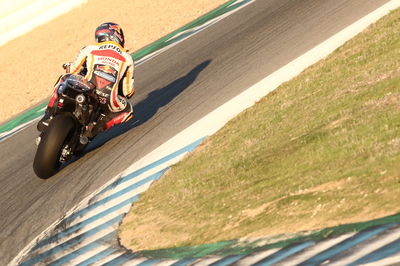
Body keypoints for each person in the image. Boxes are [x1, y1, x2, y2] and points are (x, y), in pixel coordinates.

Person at [37, 22, 135, 139]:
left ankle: (48, 115)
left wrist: (68, 67)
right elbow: (128, 91)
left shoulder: (90, 49)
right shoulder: (127, 58)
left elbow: (74, 70)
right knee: (128, 110)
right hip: (108, 98)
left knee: (64, 78)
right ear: (118, 37)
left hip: (88, 87)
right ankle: (98, 127)